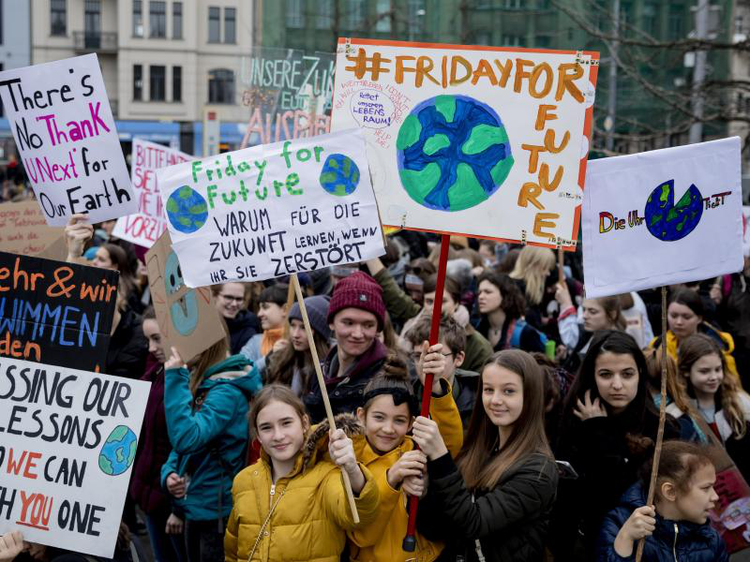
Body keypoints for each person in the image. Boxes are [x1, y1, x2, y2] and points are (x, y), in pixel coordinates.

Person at [412, 349, 559, 562]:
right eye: (489, 390)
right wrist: (425, 492)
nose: (495, 400)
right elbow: (437, 529)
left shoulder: (539, 471)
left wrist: (440, 456)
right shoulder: (478, 450)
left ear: (530, 395)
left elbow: (474, 523)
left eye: (509, 391)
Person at [551, 331, 685, 559]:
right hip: (581, 545)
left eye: (627, 374)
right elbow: (568, 494)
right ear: (592, 376)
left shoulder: (662, 428)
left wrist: (599, 429)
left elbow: (626, 493)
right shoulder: (571, 417)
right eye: (605, 374)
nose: (617, 384)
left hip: (641, 547)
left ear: (639, 374)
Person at [223, 385, 379, 562]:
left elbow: (357, 516)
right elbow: (232, 550)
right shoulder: (243, 480)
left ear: (304, 423)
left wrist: (352, 469)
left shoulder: (326, 477)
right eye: (266, 428)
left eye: (286, 423)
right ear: (258, 435)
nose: (278, 435)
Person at [347, 347, 463, 561]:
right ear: (362, 416)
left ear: (410, 423)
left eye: (399, 420)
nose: (388, 429)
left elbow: (449, 442)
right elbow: (361, 534)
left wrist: (436, 387)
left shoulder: (416, 449)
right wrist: (392, 480)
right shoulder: (351, 460)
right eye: (379, 418)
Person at [161, 337, 261, 562]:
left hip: (216, 512)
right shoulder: (209, 381)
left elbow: (187, 438)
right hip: (197, 505)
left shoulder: (225, 392)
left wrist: (176, 378)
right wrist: (168, 473)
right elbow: (184, 443)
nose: (174, 349)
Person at [598, 441, 728, 561]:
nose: (715, 496)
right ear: (670, 492)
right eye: (706, 488)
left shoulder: (711, 540)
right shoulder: (620, 525)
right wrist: (625, 539)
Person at [129, 308, 186, 562]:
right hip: (150, 495)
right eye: (148, 340)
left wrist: (180, 510)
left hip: (173, 502)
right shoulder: (156, 372)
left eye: (157, 338)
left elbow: (190, 448)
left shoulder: (189, 380)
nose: (151, 348)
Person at [304, 271, 389, 423]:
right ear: (331, 323)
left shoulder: (389, 379)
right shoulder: (319, 369)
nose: (357, 334)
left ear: (378, 329)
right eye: (348, 323)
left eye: (368, 325)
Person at [677, 334, 750, 480]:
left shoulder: (740, 404)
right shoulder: (679, 411)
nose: (714, 377)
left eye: (718, 369)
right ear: (686, 371)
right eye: (704, 371)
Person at [650, 288, 740, 382]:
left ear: (699, 318)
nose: (679, 322)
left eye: (686, 317)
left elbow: (732, 386)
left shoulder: (719, 347)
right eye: (673, 316)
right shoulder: (656, 345)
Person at [405, 314, 478, 428]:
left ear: (458, 358)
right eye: (418, 356)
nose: (425, 363)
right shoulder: (405, 395)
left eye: (434, 355)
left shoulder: (478, 399)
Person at [265, 295, 331, 396]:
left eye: (303, 327)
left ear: (319, 334)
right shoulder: (281, 360)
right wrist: (270, 357)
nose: (295, 334)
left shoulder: (329, 369)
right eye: (292, 325)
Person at [476, 270, 546, 354]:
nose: (481, 297)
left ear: (505, 295)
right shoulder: (479, 326)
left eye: (488, 292)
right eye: (479, 292)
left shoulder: (525, 333)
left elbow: (541, 364)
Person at [240, 284, 289, 375]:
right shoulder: (255, 342)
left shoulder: (299, 341)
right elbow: (240, 372)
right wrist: (268, 358)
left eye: (265, 307)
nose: (259, 314)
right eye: (259, 308)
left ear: (285, 309)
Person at [508, 246, 556, 329]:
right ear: (532, 265)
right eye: (545, 268)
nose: (548, 273)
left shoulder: (530, 291)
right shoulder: (512, 290)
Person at [213, 282, 260, 355]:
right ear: (214, 296)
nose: (234, 304)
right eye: (228, 297)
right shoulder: (200, 323)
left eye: (239, 299)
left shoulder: (248, 330)